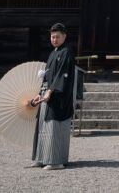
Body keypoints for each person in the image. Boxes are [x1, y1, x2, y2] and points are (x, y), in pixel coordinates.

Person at [30, 23, 75, 170]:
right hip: (47, 93)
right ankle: (41, 157)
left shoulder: (66, 52)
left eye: (57, 37)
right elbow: (48, 75)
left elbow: (63, 75)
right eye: (52, 36)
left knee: (54, 126)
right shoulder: (53, 53)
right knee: (43, 125)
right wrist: (40, 92)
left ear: (64, 36)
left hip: (58, 96)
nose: (54, 39)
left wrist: (51, 90)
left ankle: (56, 161)